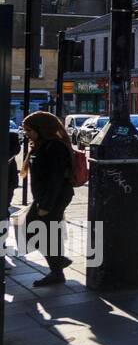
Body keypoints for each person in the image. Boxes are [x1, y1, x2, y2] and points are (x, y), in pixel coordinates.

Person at [20, 112, 75, 286]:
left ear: (41, 129)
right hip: (45, 196)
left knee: (38, 230)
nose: (26, 133)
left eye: (29, 130)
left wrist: (46, 205)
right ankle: (58, 267)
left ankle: (57, 265)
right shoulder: (42, 145)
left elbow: (56, 179)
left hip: (54, 197)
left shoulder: (55, 147)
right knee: (45, 231)